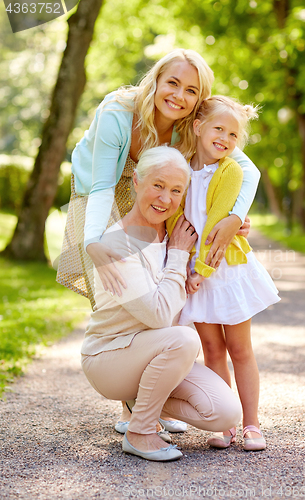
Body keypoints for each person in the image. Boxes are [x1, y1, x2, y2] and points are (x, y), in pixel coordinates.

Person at [56, 48, 259, 432]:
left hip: (155, 191)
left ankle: (150, 398)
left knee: (157, 287)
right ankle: (131, 409)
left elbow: (247, 169)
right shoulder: (118, 113)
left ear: (199, 101)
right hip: (100, 192)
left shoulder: (190, 124)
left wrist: (234, 216)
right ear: (155, 80)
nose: (179, 96)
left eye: (190, 91)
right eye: (173, 84)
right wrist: (93, 242)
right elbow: (102, 186)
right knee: (118, 290)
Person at [80, 146, 242, 461]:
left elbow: (231, 185)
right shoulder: (117, 245)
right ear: (137, 182)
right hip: (109, 358)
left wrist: (235, 221)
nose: (165, 198)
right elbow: (158, 315)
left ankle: (143, 402)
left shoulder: (172, 233)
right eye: (157, 185)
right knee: (183, 339)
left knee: (225, 413)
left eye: (176, 191)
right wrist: (179, 256)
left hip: (153, 356)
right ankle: (140, 432)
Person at [166, 96, 280, 451]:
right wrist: (182, 263)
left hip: (223, 269)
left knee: (240, 349)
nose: (226, 139)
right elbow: (175, 218)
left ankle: (251, 424)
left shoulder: (230, 170)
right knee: (212, 350)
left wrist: (201, 269)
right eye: (219, 129)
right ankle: (225, 422)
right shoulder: (181, 166)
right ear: (198, 127)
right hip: (195, 272)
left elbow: (216, 222)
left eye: (233, 134)